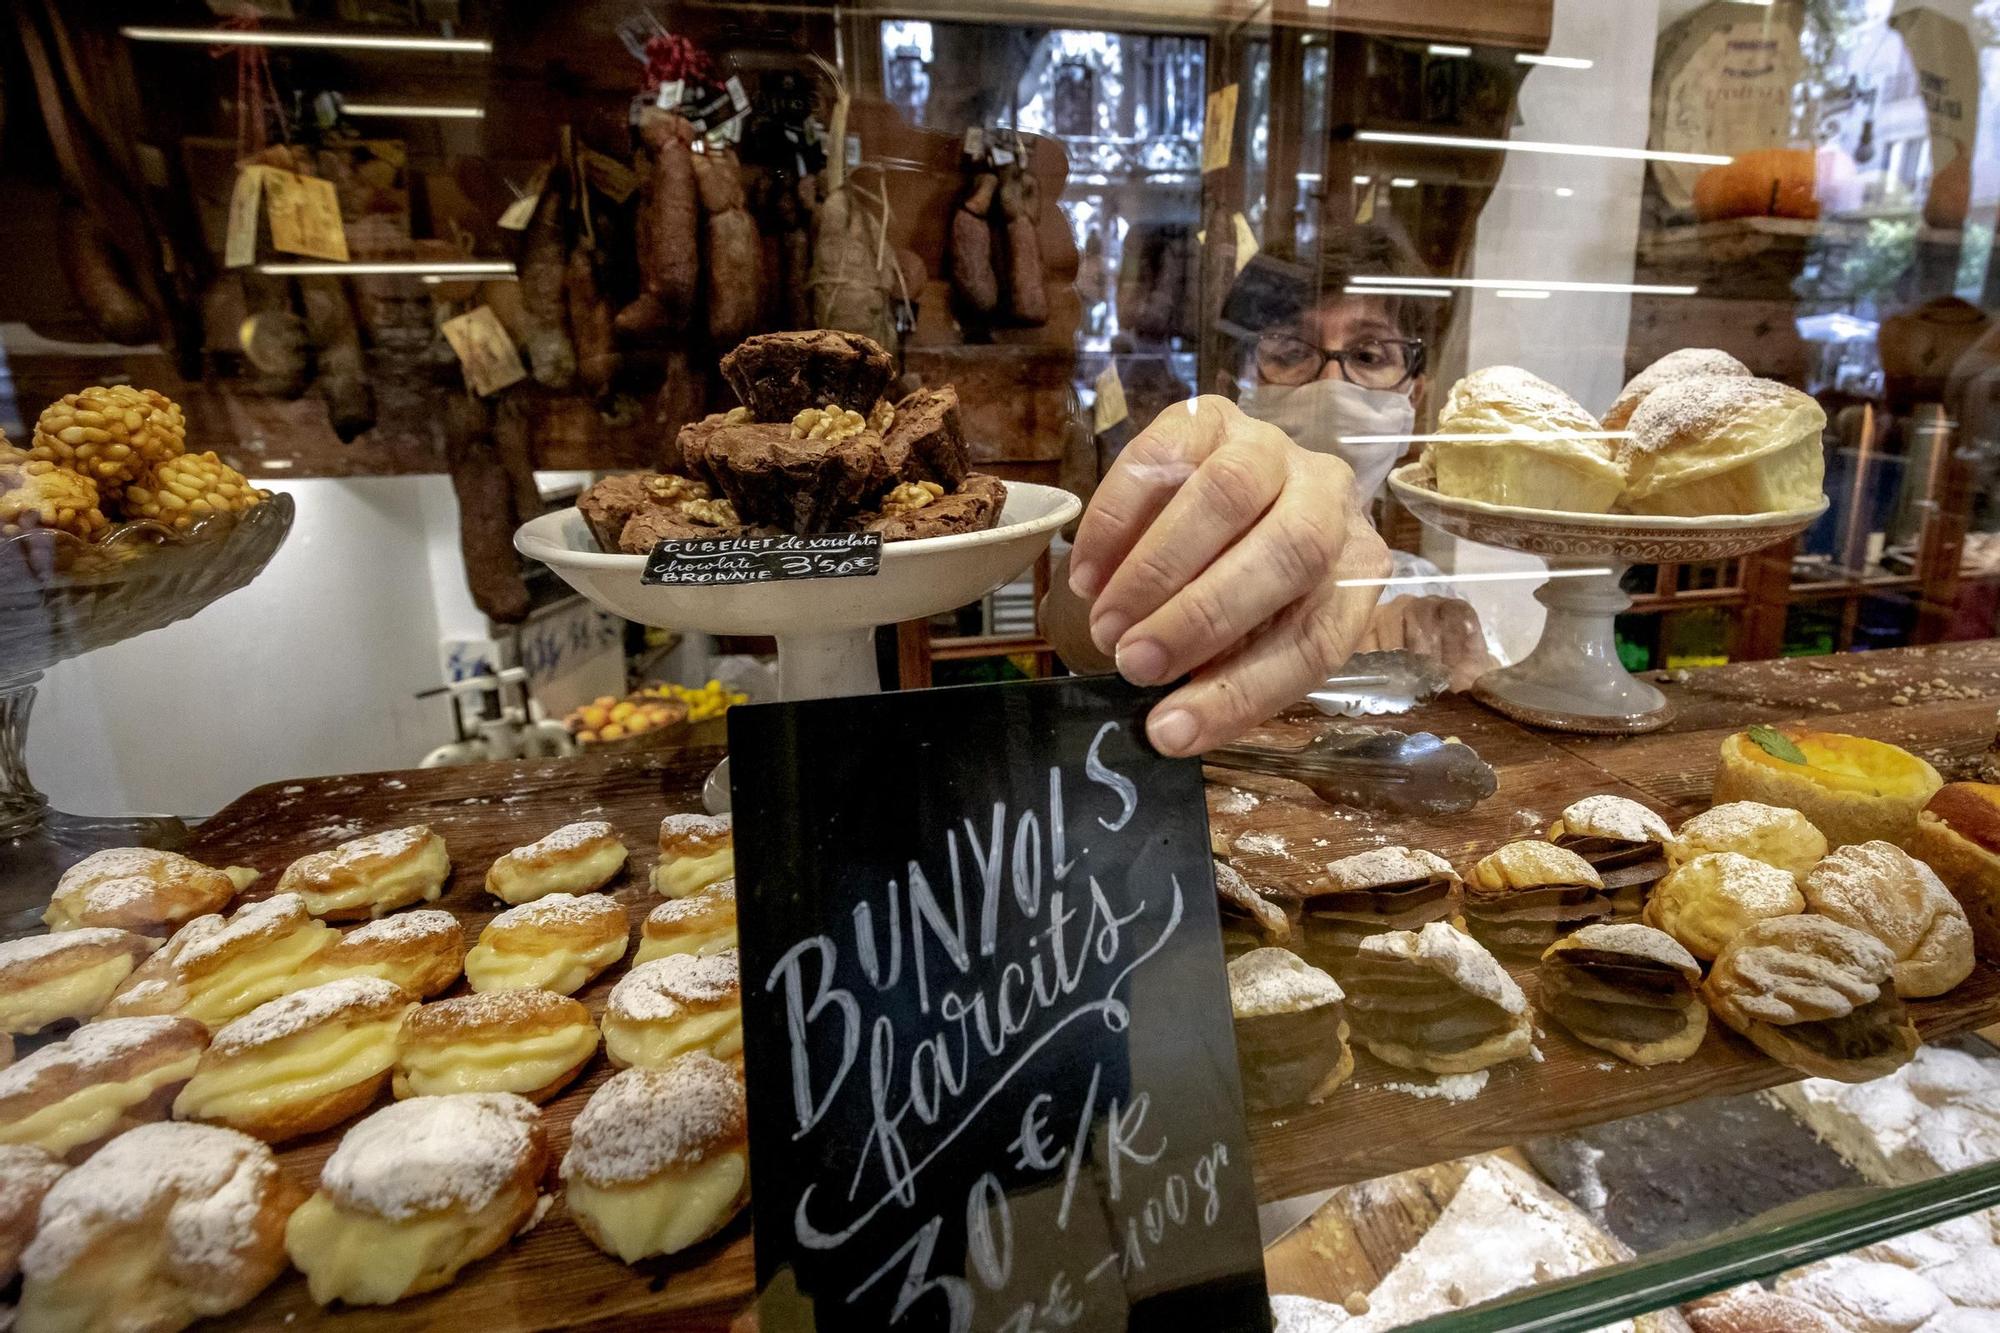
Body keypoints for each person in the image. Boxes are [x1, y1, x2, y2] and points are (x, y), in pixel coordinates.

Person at [1044, 223, 1497, 757]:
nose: (1332, 381)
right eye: (1288, 350)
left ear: (1412, 401)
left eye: (1370, 355)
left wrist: (1468, 682)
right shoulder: (1189, 537)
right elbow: (1073, 625)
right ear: (1233, 386)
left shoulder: (1427, 593)